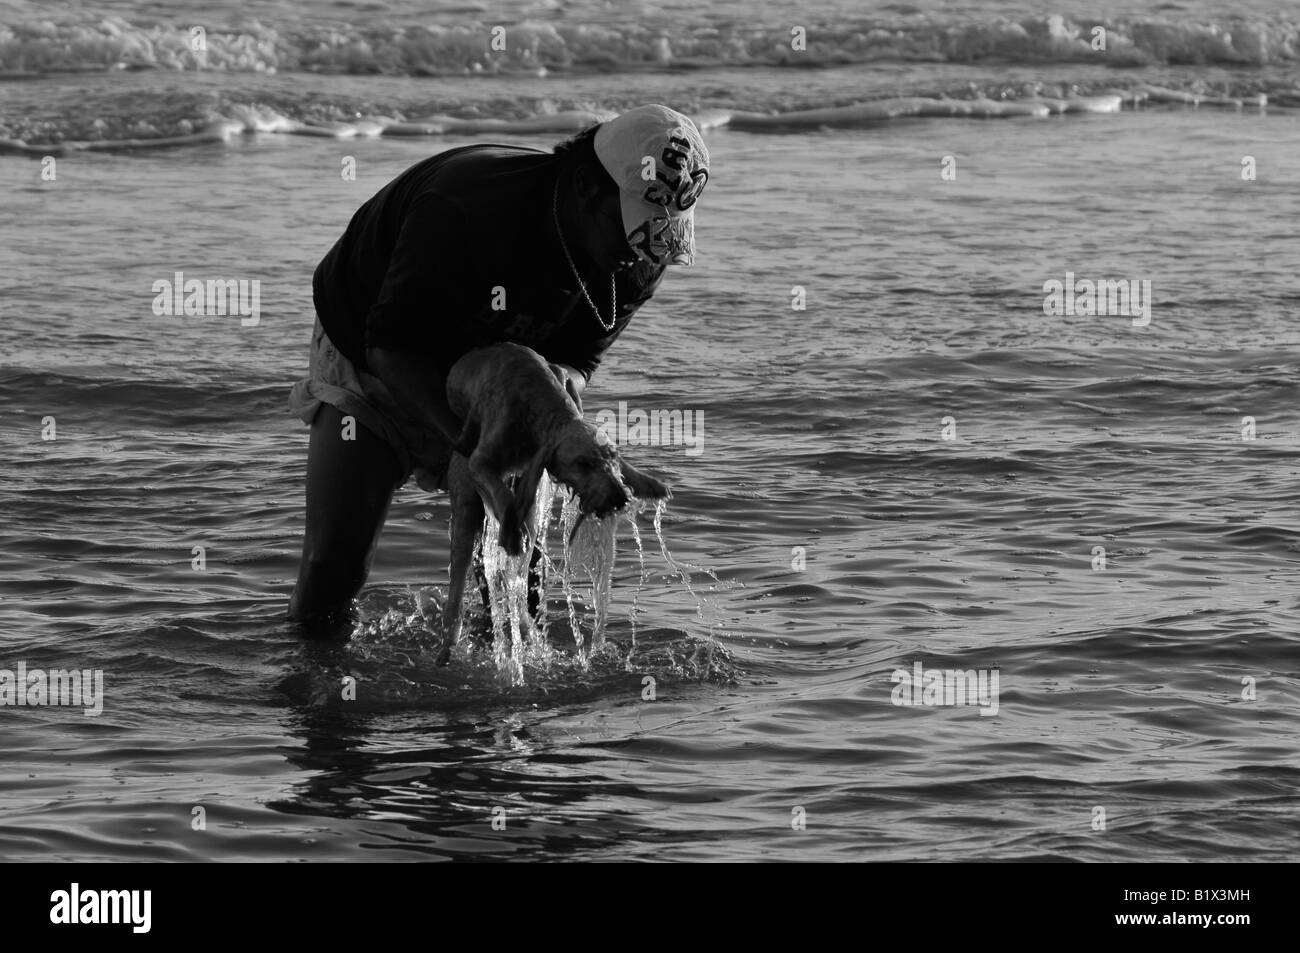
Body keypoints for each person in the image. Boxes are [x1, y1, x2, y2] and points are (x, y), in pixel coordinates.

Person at [286, 104, 710, 634]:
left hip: (505, 378)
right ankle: (316, 700)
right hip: (374, 349)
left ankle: (500, 713)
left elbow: (579, 361)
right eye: (632, 223)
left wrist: (552, 404)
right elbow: (389, 346)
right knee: (335, 568)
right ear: (583, 187)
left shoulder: (639, 259)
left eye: (658, 227)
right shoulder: (466, 207)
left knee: (516, 581)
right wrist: (467, 448)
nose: (640, 247)